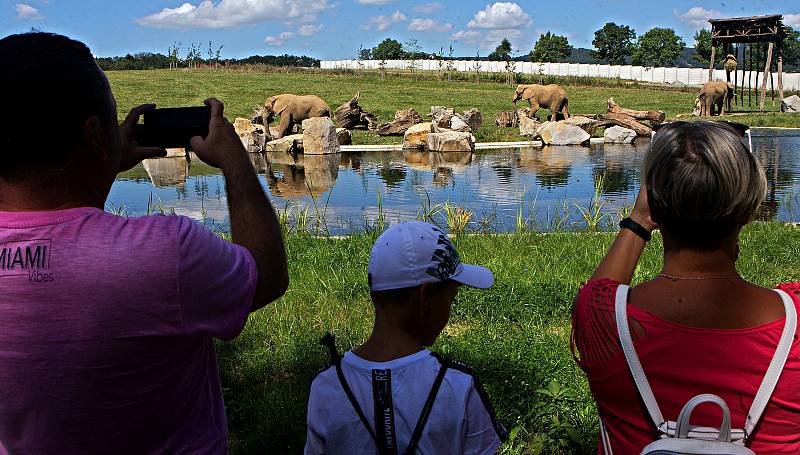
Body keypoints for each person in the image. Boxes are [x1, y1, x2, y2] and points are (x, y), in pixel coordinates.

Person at [0, 33, 288, 453]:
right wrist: (235, 163)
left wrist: (98, 165)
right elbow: (267, 274)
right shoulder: (163, 253)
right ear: (95, 134)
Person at [571, 121, 800, 453]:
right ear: (749, 207)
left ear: (656, 205)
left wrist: (639, 220)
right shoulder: (794, 324)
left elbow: (600, 289)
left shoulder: (603, 320)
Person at [305, 221, 507, 454]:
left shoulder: (327, 386)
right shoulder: (457, 386)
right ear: (426, 297)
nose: (451, 309)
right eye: (452, 299)